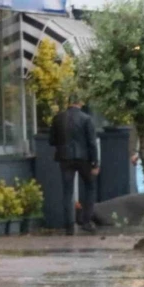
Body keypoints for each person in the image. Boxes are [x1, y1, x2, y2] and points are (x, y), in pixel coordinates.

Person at [49, 95, 99, 235]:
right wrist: (95, 162)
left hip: (65, 158)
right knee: (89, 187)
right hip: (84, 159)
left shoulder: (58, 118)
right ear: (80, 103)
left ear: (69, 103)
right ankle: (86, 221)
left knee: (67, 191)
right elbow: (92, 142)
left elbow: (51, 140)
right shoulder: (86, 119)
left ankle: (68, 224)